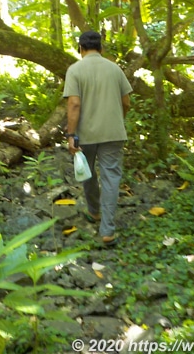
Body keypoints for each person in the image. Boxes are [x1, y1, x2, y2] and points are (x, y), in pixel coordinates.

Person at [63, 30, 132, 246]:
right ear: (101, 49)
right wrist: (118, 120)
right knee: (111, 177)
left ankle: (94, 212)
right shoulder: (115, 69)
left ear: (81, 49)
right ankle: (108, 231)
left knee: (87, 172)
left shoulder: (75, 70)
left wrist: (71, 134)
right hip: (113, 132)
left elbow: (74, 104)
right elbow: (127, 102)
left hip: (86, 133)